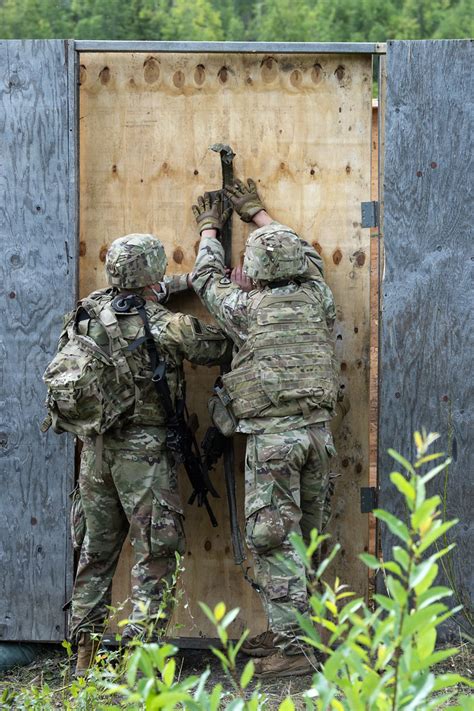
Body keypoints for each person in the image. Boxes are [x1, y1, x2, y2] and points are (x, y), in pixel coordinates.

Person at [64, 234, 231, 675]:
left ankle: (83, 658)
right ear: (153, 272)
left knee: (95, 556)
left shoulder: (87, 310)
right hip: (144, 456)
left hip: (95, 454)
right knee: (156, 555)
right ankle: (143, 664)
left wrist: (171, 285)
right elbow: (219, 345)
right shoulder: (164, 324)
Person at [191, 182, 338, 678]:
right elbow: (309, 258)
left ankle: (295, 651)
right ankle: (302, 633)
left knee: (274, 539)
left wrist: (210, 227)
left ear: (254, 271)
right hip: (319, 437)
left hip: (275, 442)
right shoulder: (318, 296)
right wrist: (257, 214)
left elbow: (206, 277)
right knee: (309, 540)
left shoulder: (246, 309)